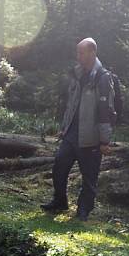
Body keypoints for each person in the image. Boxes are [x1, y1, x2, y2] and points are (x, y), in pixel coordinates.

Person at [41, 37, 114, 221]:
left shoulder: (103, 78)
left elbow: (106, 111)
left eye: (81, 52)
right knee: (59, 166)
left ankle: (83, 211)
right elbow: (71, 105)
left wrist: (105, 140)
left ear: (92, 52)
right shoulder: (77, 74)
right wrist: (65, 128)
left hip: (91, 138)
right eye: (77, 52)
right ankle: (60, 201)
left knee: (89, 177)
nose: (78, 56)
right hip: (71, 135)